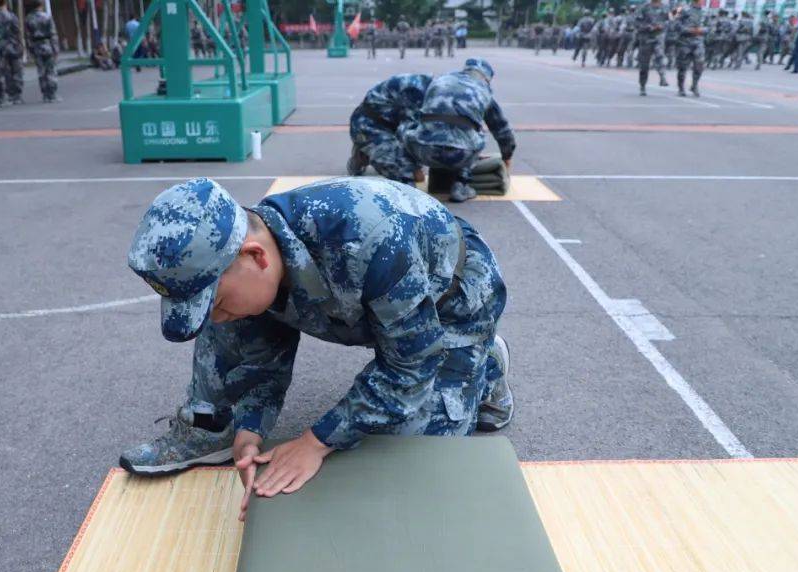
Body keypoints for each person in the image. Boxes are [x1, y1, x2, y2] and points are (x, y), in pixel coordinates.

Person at [119, 177, 513, 517]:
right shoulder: (248, 251)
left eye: (215, 303)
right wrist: (250, 428)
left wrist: (316, 441)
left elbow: (410, 367)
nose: (215, 317)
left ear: (255, 256)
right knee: (231, 322)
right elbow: (257, 354)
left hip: (451, 304)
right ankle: (211, 427)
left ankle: (484, 362)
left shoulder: (374, 238)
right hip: (370, 301)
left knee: (409, 455)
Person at [399, 58, 515, 203]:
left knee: (404, 129)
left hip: (425, 151)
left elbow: (417, 115)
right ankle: (461, 184)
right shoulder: (484, 90)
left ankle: (407, 182)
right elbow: (502, 131)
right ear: (486, 78)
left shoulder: (440, 81)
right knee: (477, 135)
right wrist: (507, 156)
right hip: (461, 155)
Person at [347, 72, 431, 184]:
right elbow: (409, 133)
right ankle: (364, 152)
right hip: (369, 126)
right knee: (406, 176)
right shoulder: (416, 91)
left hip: (390, 124)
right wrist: (415, 167)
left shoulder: (432, 88)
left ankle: (368, 151)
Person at [24, 0, 57, 101]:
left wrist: (30, 49)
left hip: (36, 46)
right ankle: (52, 94)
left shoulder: (28, 19)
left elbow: (27, 36)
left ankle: (45, 94)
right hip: (47, 45)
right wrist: (55, 48)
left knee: (41, 71)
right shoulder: (47, 17)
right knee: (50, 70)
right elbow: (53, 34)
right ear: (40, 5)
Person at [634, 0, 668, 96]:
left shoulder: (665, 7)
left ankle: (662, 77)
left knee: (660, 56)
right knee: (644, 65)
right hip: (646, 38)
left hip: (659, 38)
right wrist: (649, 27)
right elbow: (636, 22)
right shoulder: (644, 7)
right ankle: (642, 86)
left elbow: (669, 21)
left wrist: (662, 26)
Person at [673, 0, 705, 97]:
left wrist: (703, 30)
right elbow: (675, 23)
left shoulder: (704, 11)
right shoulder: (681, 9)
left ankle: (694, 86)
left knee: (699, 66)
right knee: (682, 67)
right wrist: (688, 30)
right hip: (684, 42)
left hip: (698, 42)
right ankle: (681, 88)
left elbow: (710, 26)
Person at [0, 0, 21, 103]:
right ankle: (17, 96)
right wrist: (20, 45)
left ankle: (9, 94)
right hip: (13, 45)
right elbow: (17, 31)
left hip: (0, 47)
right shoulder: (12, 16)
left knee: (5, 71)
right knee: (16, 70)